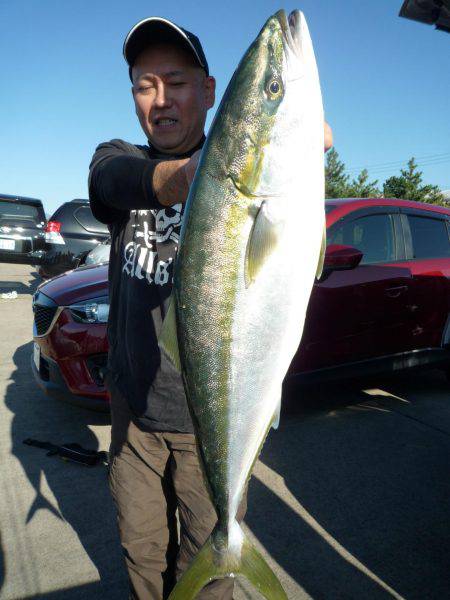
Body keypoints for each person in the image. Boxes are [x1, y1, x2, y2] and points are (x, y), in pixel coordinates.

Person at [89, 16, 333, 600]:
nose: (162, 98)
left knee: (209, 570)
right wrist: (213, 174)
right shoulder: (119, 158)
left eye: (176, 81)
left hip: (210, 425)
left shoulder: (250, 179)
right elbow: (114, 181)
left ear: (209, 90)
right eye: (145, 85)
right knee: (143, 554)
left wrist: (281, 149)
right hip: (135, 419)